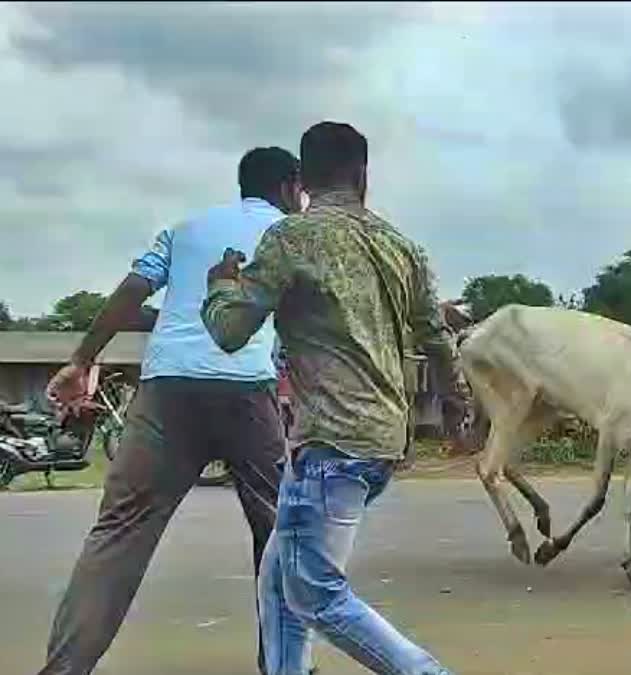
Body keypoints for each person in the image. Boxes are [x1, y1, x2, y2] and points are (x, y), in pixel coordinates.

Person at [202, 121, 457, 675]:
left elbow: (230, 332)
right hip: (380, 440)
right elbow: (436, 337)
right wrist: (454, 401)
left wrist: (221, 283)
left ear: (302, 180)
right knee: (279, 582)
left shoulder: (293, 238)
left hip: (332, 443)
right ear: (363, 174)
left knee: (314, 592)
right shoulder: (402, 246)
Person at [39, 147, 303, 675]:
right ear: (290, 186)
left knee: (119, 530)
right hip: (244, 390)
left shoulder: (185, 229)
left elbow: (132, 290)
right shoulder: (292, 236)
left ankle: (64, 669)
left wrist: (81, 359)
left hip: (166, 390)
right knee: (280, 535)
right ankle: (283, 665)